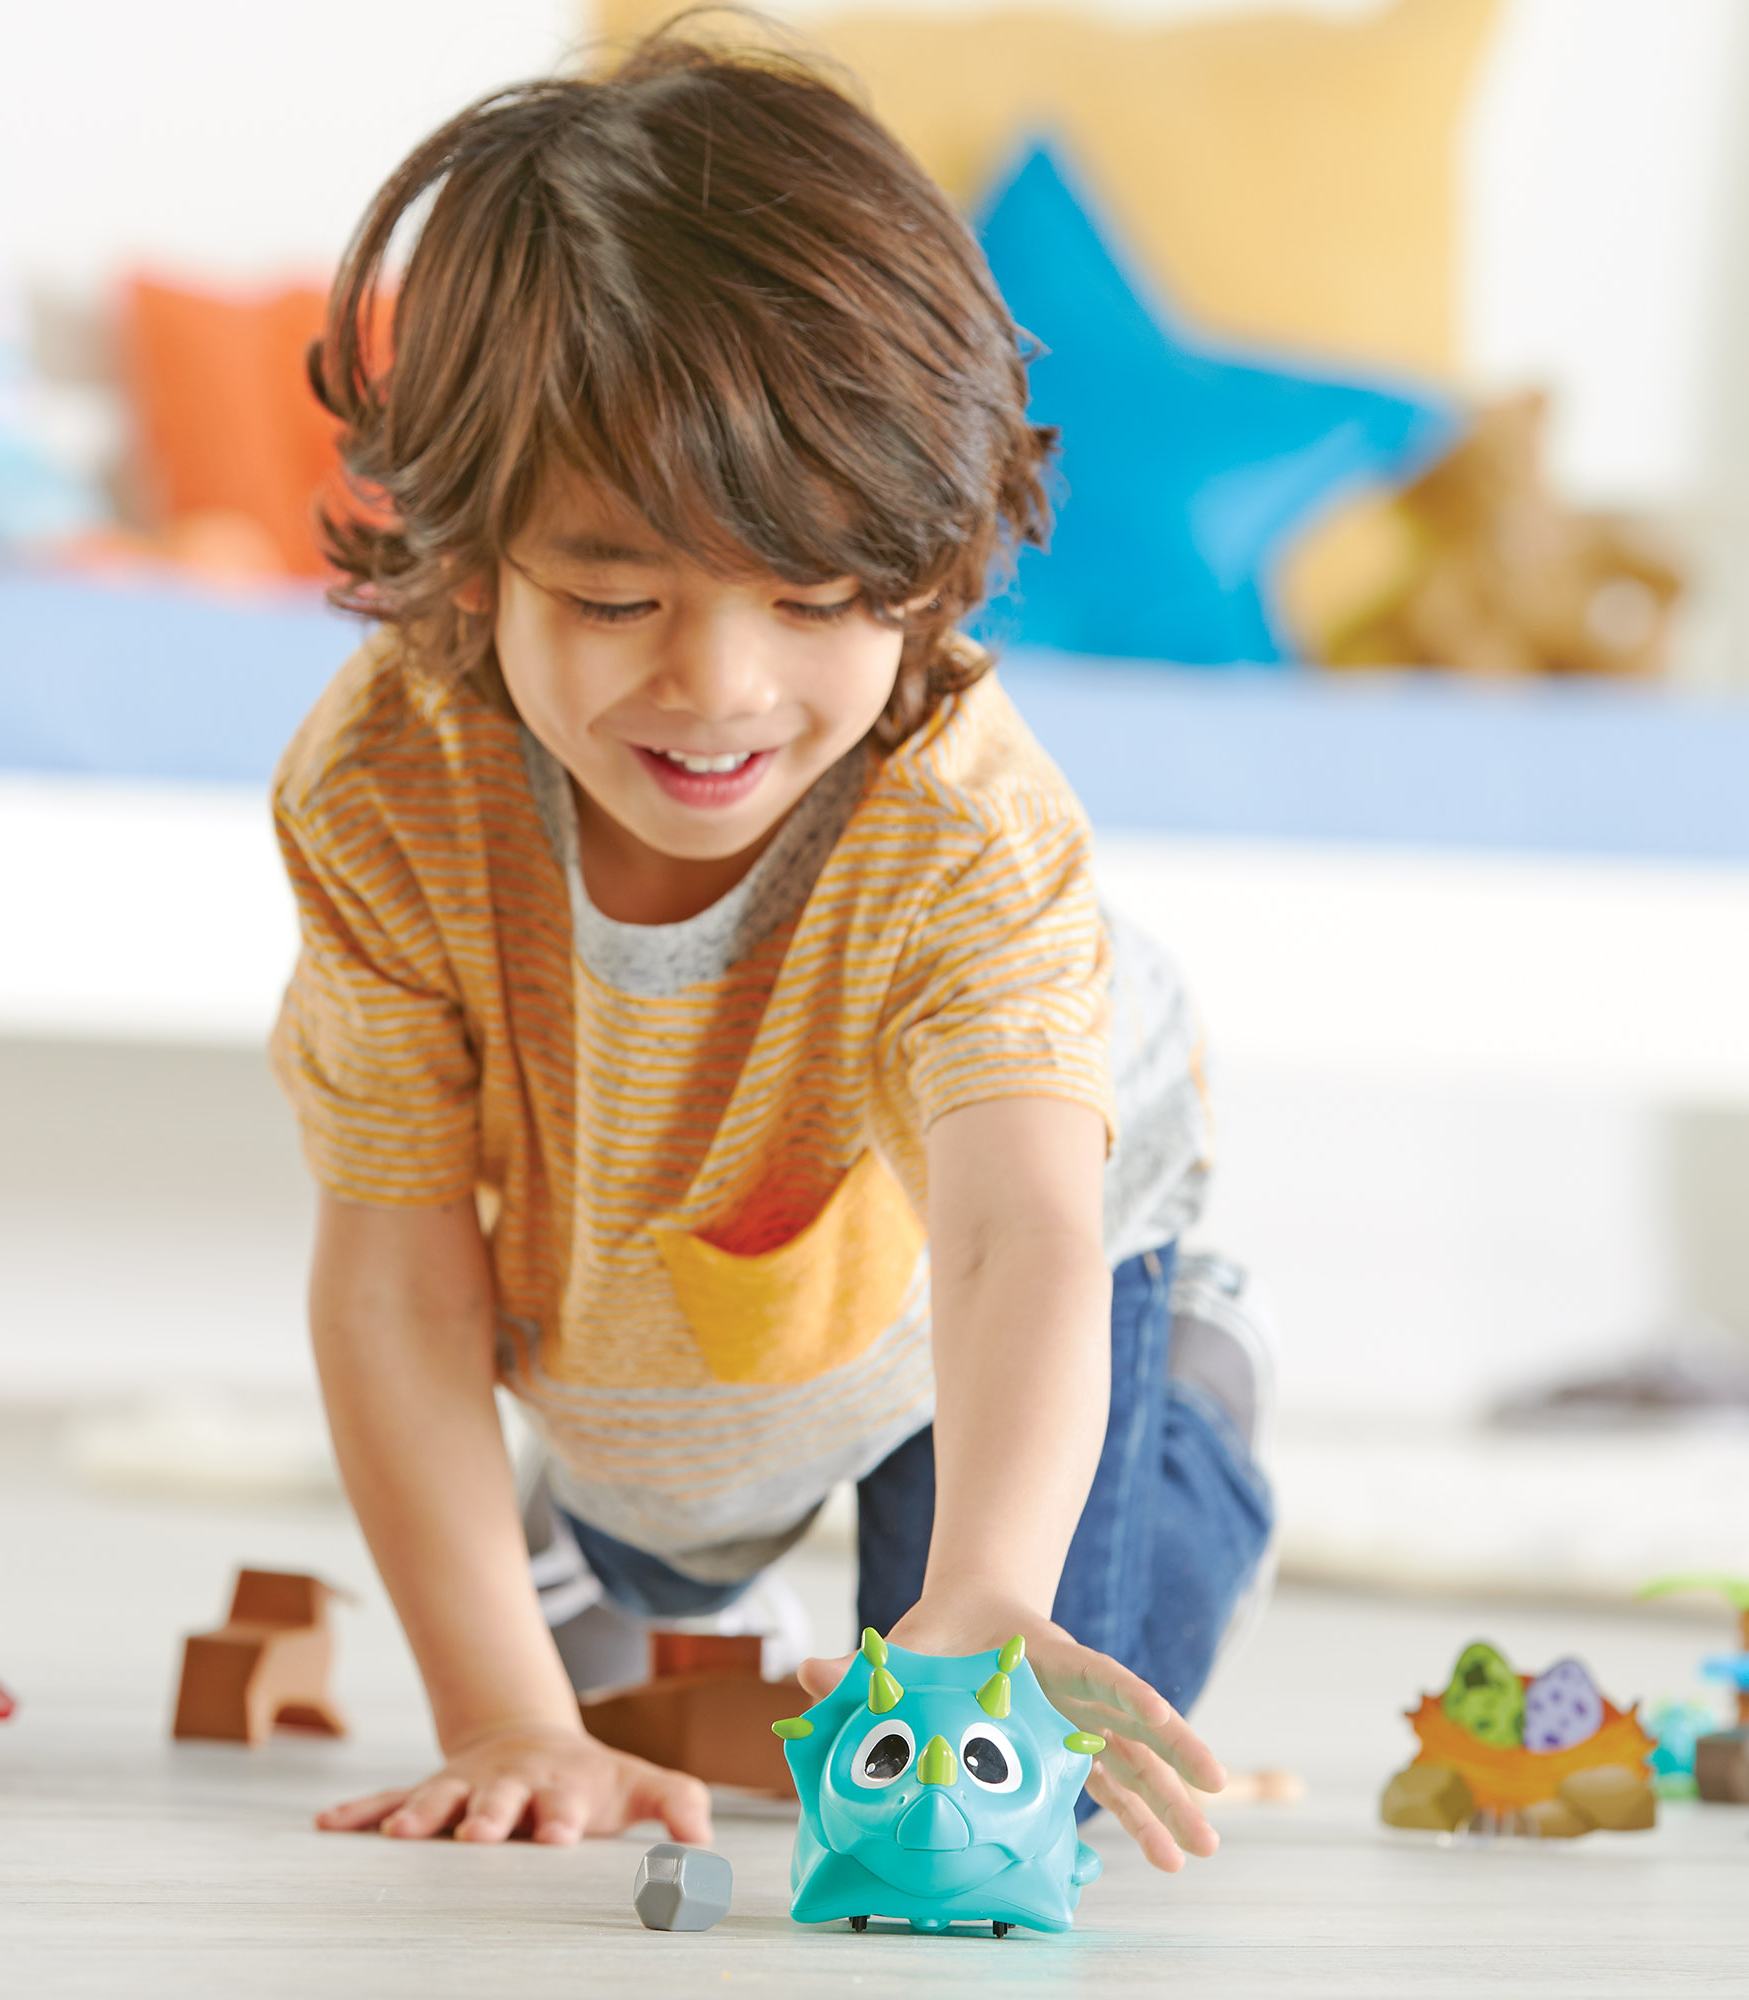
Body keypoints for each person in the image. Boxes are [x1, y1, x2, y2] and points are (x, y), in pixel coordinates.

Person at [270, 24, 1273, 1871]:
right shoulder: (386, 784)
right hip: (670, 1283)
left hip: (1013, 1257)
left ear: (931, 567)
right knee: (628, 1625)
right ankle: (636, 1558)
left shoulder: (965, 833)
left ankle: (1189, 1385)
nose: (721, 687)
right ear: (470, 558)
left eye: (815, 599)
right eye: (614, 597)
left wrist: (986, 1593)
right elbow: (395, 1275)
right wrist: (502, 1718)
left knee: (1005, 1756)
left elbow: (1015, 1233)